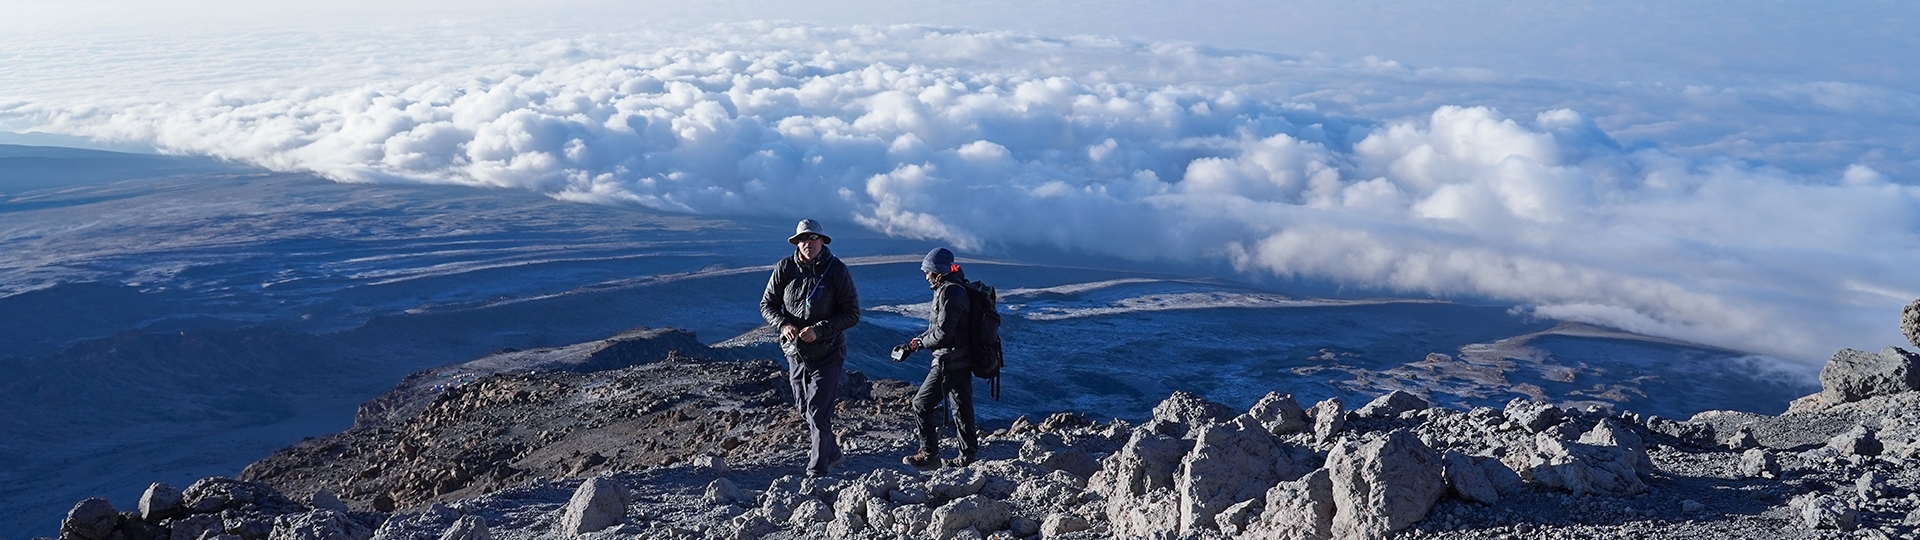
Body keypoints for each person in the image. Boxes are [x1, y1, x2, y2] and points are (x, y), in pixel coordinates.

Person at [759, 219, 861, 477]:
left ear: (822, 241)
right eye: (804, 239)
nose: (809, 243)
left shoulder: (836, 270)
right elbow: (767, 304)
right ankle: (834, 453)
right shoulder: (785, 268)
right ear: (797, 243)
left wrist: (820, 330)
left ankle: (818, 469)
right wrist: (783, 324)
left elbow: (852, 313)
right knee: (804, 407)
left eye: (813, 238)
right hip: (796, 352)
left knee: (817, 412)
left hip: (828, 352)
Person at [897, 247, 979, 468]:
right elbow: (938, 328)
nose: (926, 276)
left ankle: (929, 454)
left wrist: (919, 344)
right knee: (961, 406)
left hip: (949, 360)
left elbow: (943, 334)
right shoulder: (952, 288)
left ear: (938, 272)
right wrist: (912, 345)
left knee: (921, 404)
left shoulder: (951, 292)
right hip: (961, 358)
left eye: (928, 271)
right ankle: (967, 457)